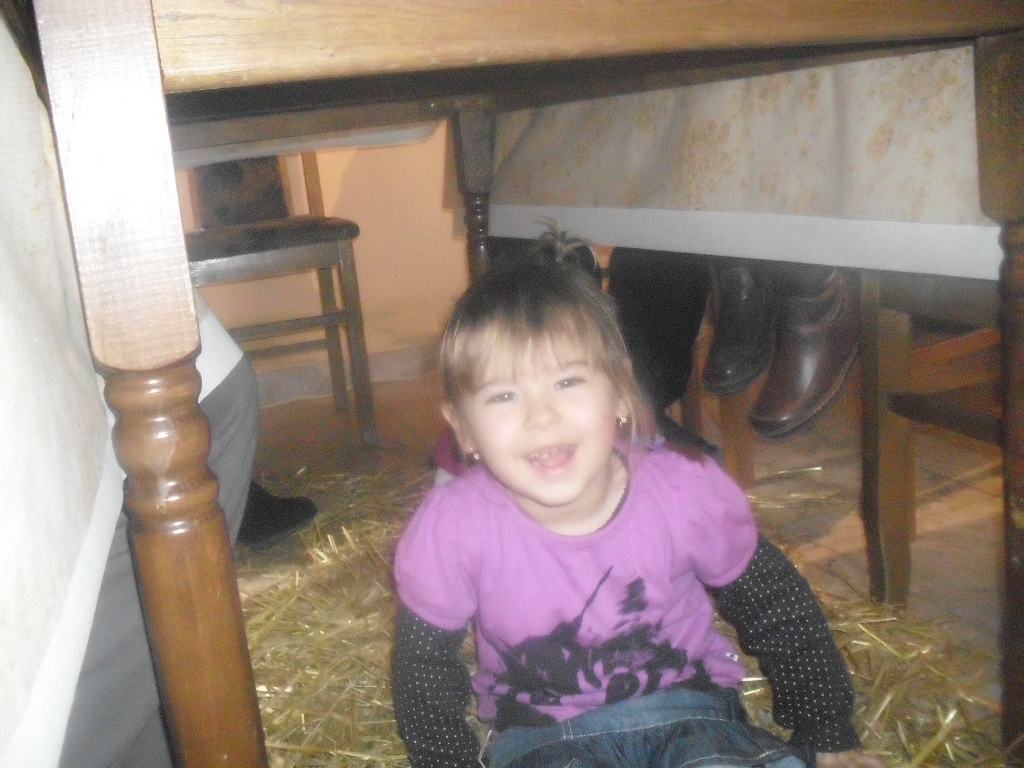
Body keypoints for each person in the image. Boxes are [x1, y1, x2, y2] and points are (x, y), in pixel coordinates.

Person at [391, 256, 885, 768]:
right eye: (504, 395)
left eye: (567, 382)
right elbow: (423, 667)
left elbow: (776, 606)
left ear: (621, 393)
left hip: (693, 720)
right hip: (544, 743)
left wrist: (825, 728)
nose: (541, 417)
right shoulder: (452, 528)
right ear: (463, 429)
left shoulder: (685, 494)